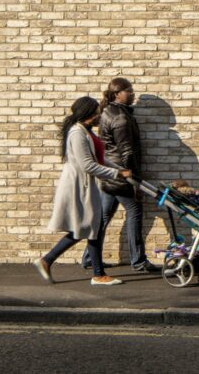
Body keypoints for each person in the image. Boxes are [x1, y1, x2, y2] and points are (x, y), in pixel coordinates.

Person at [35, 96, 133, 287]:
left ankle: (50, 261)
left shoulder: (86, 132)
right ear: (88, 113)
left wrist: (120, 170)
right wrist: (117, 173)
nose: (99, 115)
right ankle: (95, 274)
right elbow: (88, 165)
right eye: (97, 112)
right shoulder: (77, 134)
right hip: (78, 187)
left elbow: (99, 159)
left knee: (91, 227)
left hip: (87, 186)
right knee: (90, 227)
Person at [93, 77, 153, 273]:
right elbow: (127, 151)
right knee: (135, 212)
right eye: (129, 91)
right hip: (121, 175)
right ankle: (138, 261)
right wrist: (134, 180)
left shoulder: (109, 112)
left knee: (103, 217)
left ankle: (89, 258)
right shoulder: (120, 118)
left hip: (110, 174)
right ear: (117, 94)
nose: (132, 94)